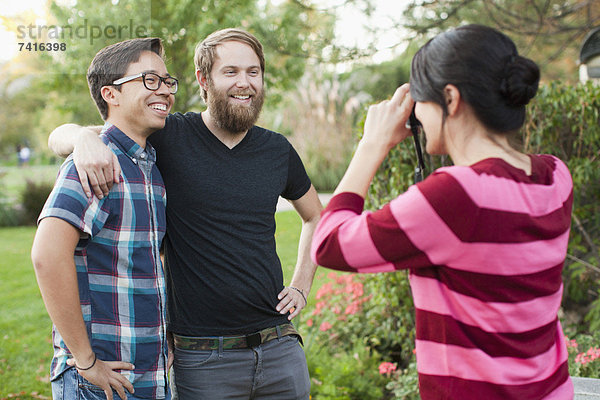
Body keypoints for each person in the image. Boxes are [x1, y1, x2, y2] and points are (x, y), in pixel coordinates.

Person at [48, 28, 321, 399]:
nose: (245, 83)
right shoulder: (167, 134)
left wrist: (302, 285)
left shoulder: (277, 150)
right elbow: (91, 133)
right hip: (204, 358)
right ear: (203, 80)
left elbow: (317, 217)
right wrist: (82, 137)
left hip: (279, 348)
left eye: (253, 72)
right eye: (231, 72)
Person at [311, 24, 574, 400]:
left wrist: (371, 146)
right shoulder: (555, 177)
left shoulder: (457, 196)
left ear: (450, 99)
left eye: (421, 101)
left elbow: (329, 244)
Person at [31, 37, 177, 400]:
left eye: (167, 81)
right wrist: (84, 361)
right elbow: (47, 256)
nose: (164, 90)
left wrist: (165, 338)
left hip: (146, 373)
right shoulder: (95, 164)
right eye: (149, 80)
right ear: (111, 94)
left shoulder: (150, 169)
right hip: (99, 381)